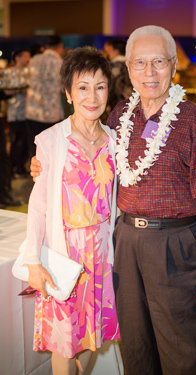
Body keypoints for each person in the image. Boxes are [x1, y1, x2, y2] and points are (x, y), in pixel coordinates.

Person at [31, 25, 196, 375]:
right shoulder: (119, 117)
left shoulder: (195, 120)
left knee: (183, 348)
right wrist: (42, 164)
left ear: (173, 65)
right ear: (129, 68)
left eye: (158, 62)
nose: (149, 72)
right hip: (123, 245)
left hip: (175, 245)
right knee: (136, 344)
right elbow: (82, 156)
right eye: (140, 63)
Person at [23, 47, 119, 375]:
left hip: (102, 256)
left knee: (93, 337)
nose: (92, 96)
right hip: (66, 255)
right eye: (82, 87)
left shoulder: (115, 142)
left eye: (100, 86)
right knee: (64, 339)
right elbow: (37, 207)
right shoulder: (51, 140)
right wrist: (33, 261)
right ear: (68, 93)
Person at [26, 35, 64, 157]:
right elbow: (64, 88)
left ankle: (35, 173)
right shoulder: (59, 63)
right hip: (51, 113)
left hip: (32, 110)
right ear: (60, 47)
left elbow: (26, 80)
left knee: (34, 145)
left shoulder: (34, 60)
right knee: (51, 147)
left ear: (47, 46)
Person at [5, 49, 30, 177]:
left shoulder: (29, 72)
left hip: (28, 113)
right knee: (16, 141)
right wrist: (21, 89)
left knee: (25, 141)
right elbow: (5, 91)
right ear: (17, 58)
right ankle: (14, 168)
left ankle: (20, 167)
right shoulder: (9, 72)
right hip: (15, 113)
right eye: (25, 56)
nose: (27, 59)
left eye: (28, 56)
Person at [104, 38, 132, 113]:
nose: (107, 52)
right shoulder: (133, 65)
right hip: (133, 104)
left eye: (109, 49)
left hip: (115, 105)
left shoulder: (110, 67)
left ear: (116, 50)